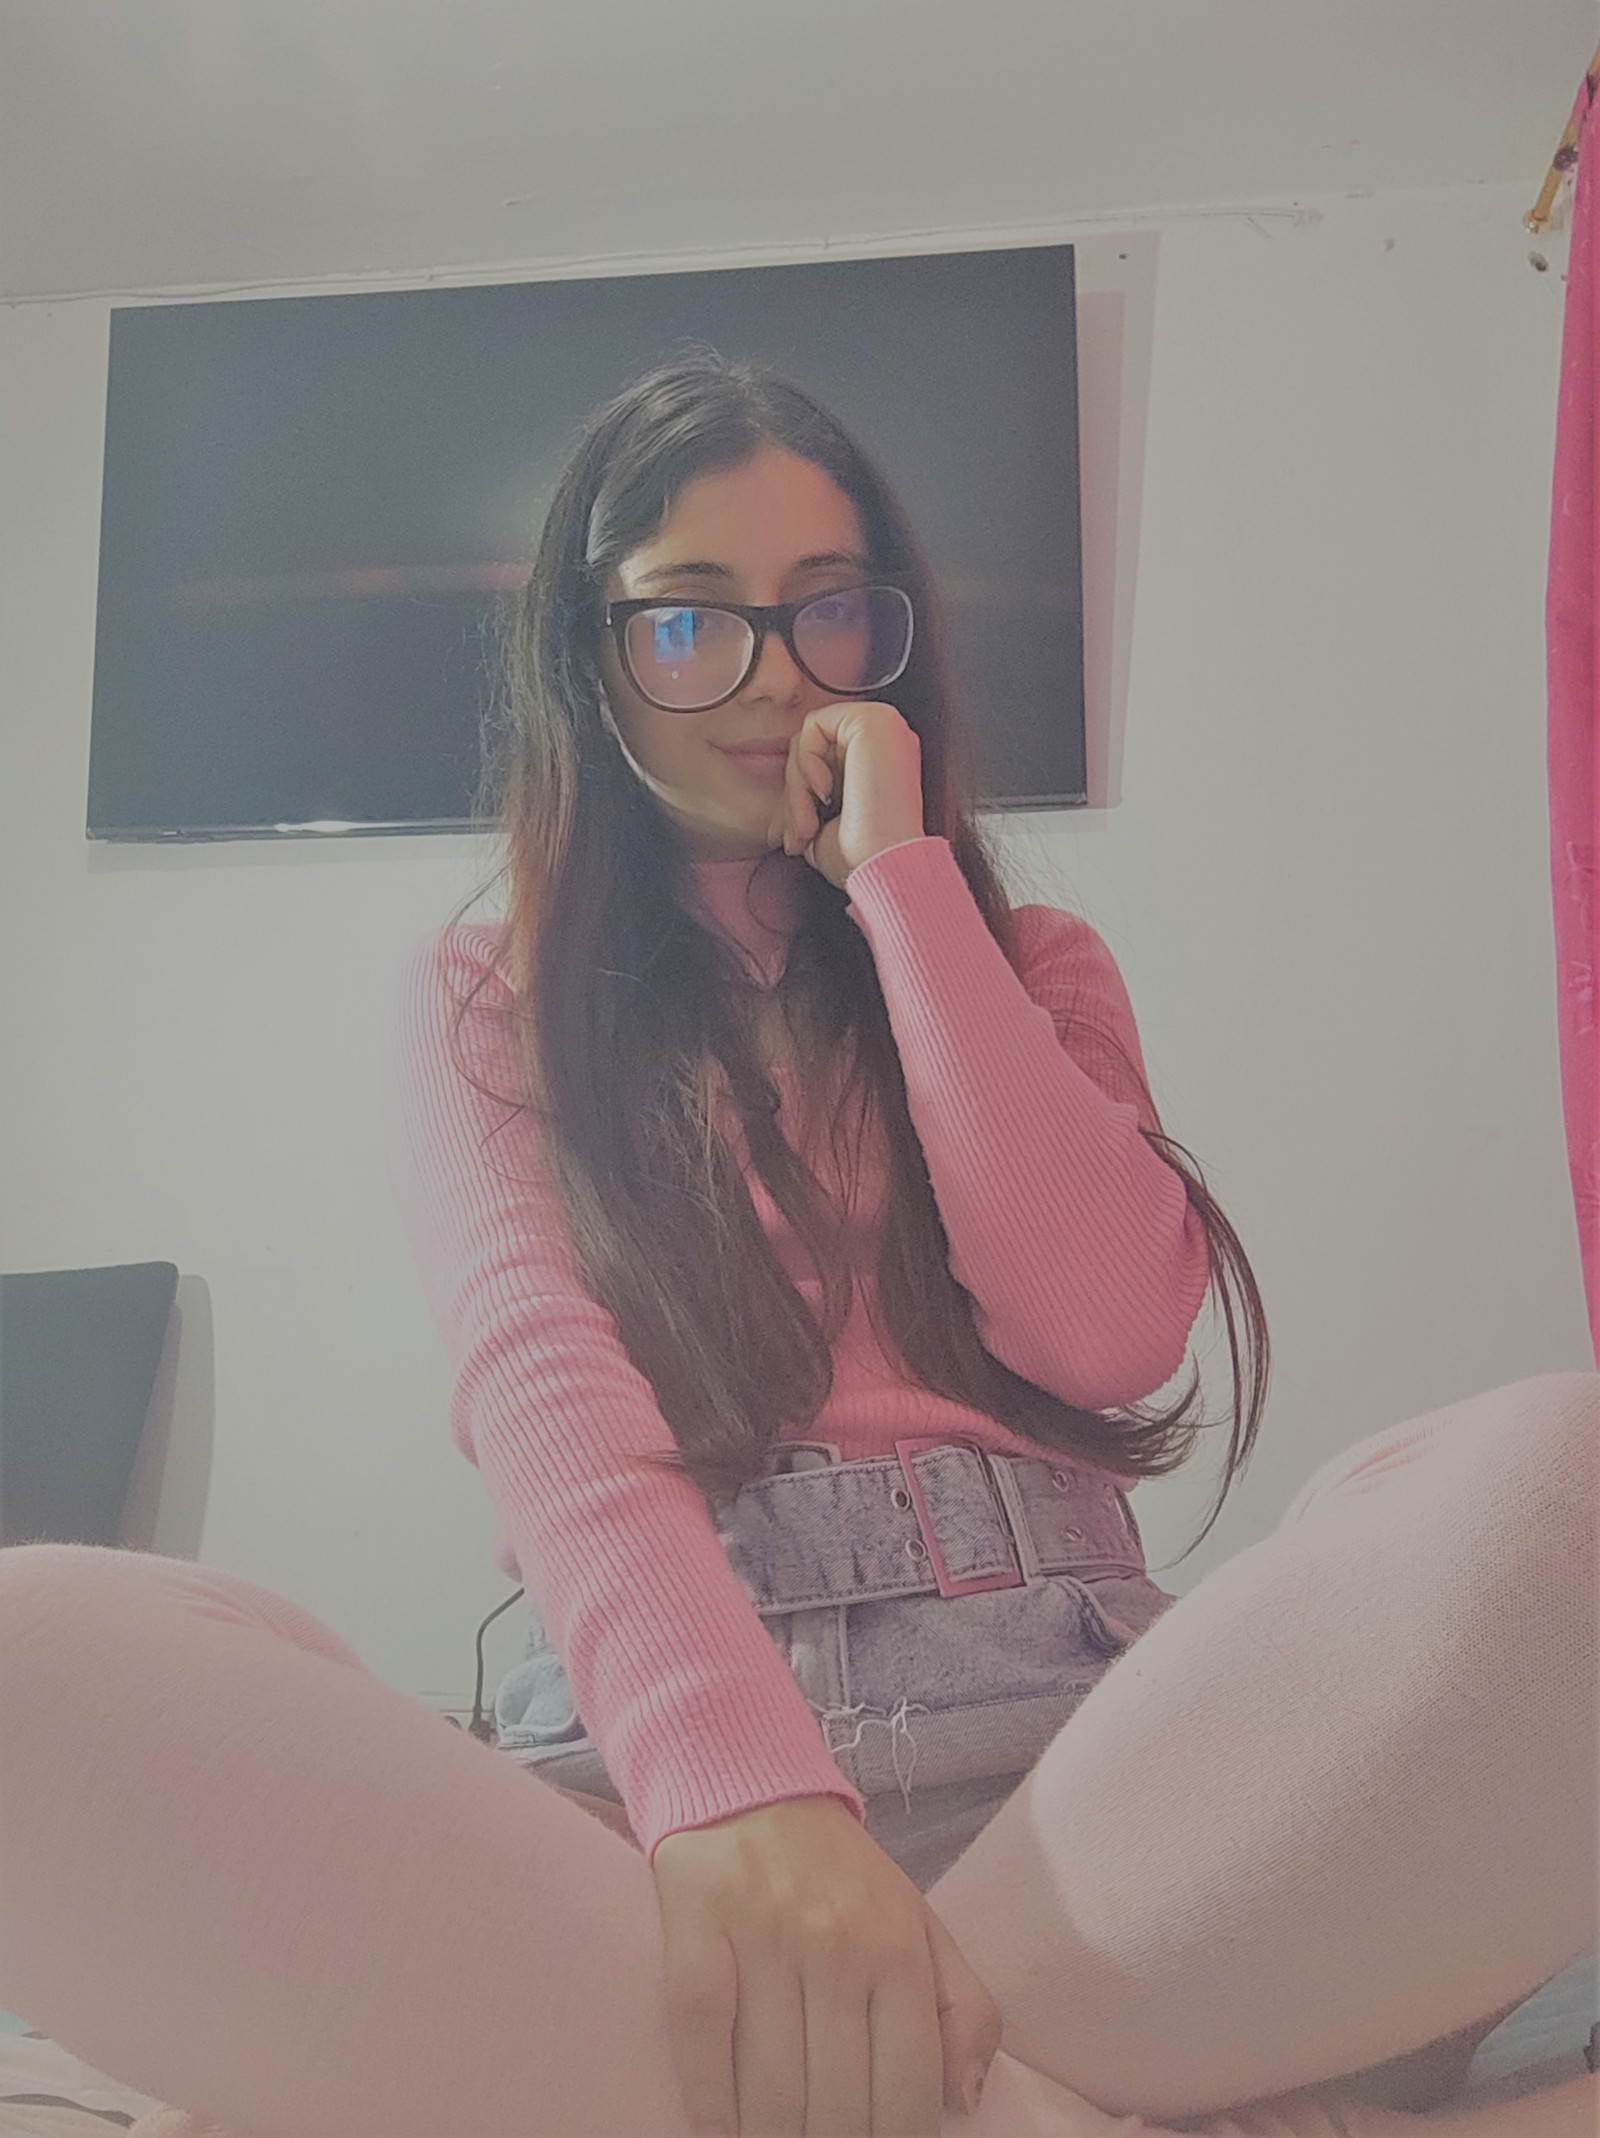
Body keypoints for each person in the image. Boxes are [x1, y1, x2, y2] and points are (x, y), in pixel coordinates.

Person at [0, 358, 1593, 2138]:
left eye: (826, 608)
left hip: (1089, 1784)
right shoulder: (487, 996)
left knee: (1568, 1488)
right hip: (644, 1809)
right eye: (690, 619)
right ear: (589, 655)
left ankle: (845, 2086)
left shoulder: (1033, 964)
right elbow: (547, 1398)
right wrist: (739, 1791)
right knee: (27, 1658)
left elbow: (1107, 1330)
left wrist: (904, 887)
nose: (774, 674)